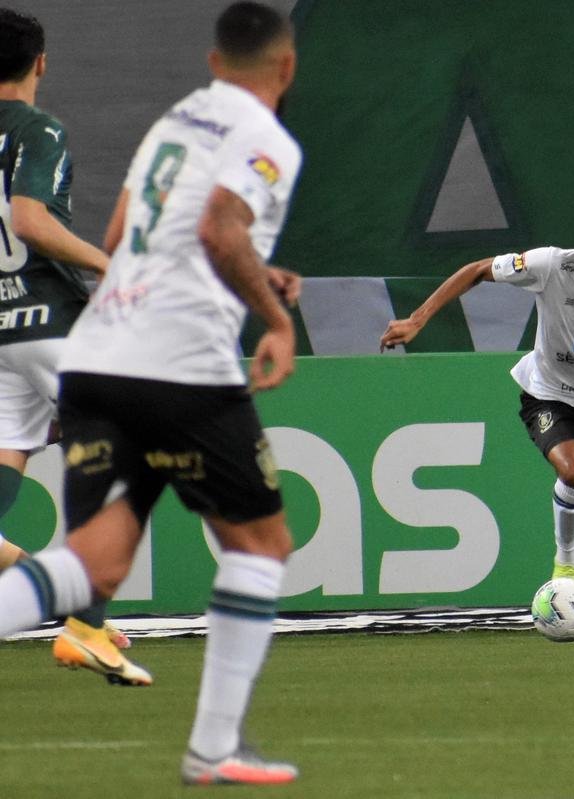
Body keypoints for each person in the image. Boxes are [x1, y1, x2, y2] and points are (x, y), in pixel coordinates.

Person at [0, 1, 303, 784]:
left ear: (211, 66)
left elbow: (123, 237)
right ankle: (213, 747)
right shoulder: (269, 140)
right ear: (288, 68)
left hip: (100, 351)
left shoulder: (175, 123)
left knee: (94, 563)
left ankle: (214, 747)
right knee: (263, 545)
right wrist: (272, 317)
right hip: (178, 363)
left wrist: (249, 275)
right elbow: (219, 229)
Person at [381, 196, 574, 640]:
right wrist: (418, 320)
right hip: (547, 396)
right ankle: (565, 562)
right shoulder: (552, 266)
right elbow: (478, 269)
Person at [0, 8, 149, 684]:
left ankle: (51, 589)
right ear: (41, 62)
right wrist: (106, 264)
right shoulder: (39, 128)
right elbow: (29, 220)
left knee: (8, 466)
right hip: (50, 323)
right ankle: (85, 624)